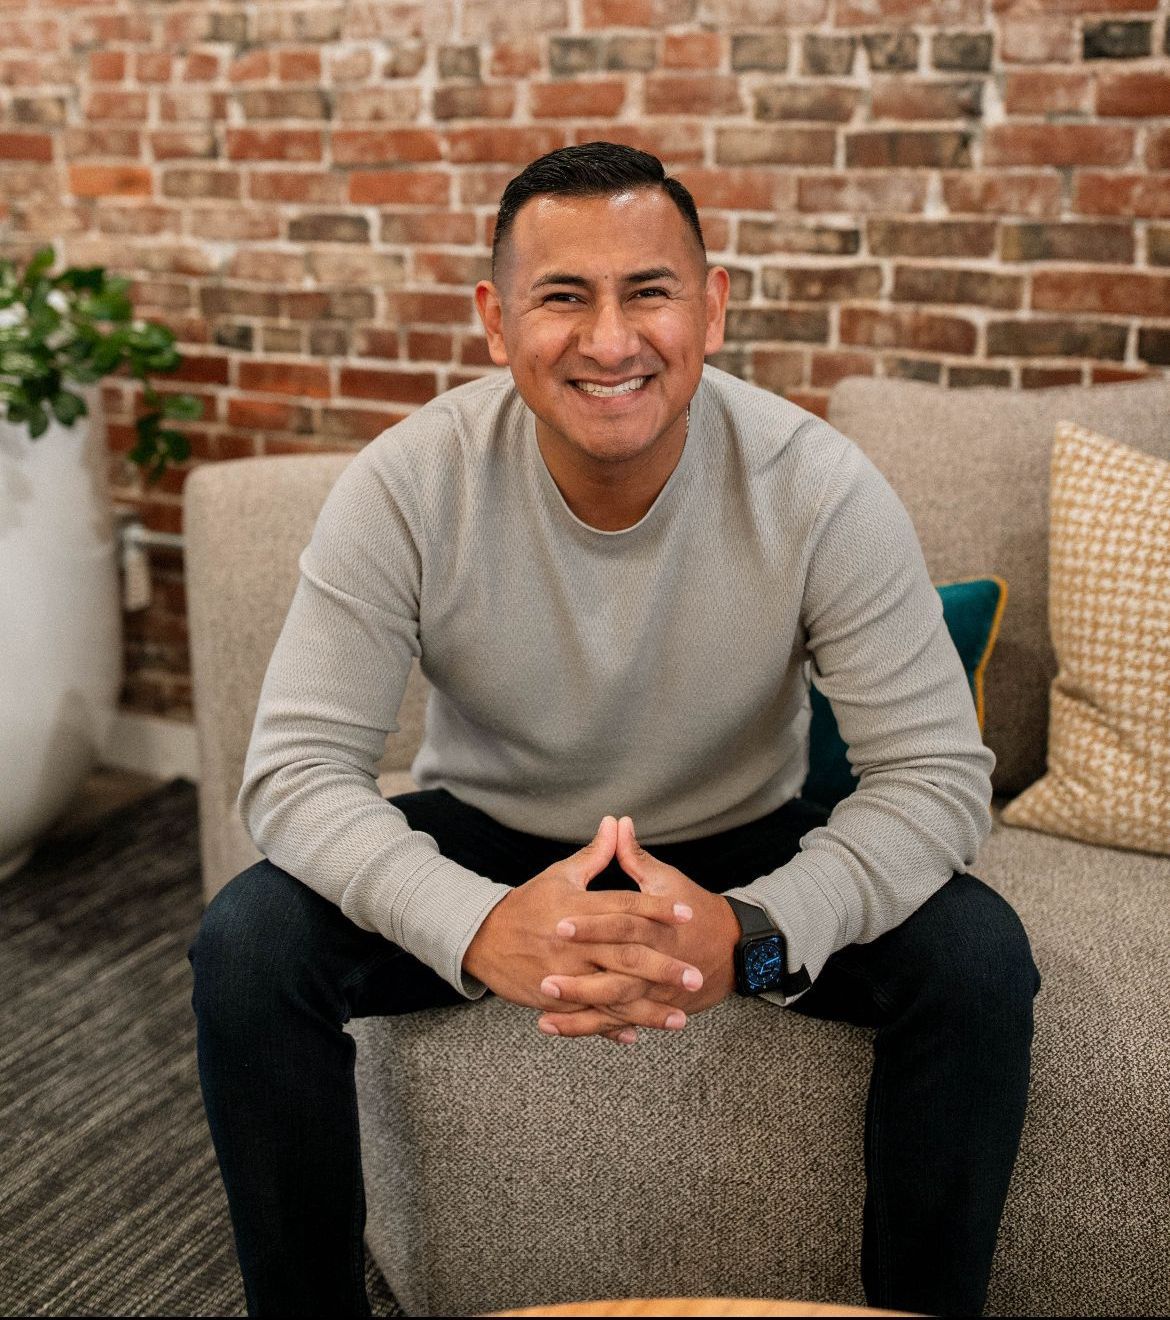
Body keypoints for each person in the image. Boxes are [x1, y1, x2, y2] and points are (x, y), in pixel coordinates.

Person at [189, 141, 1041, 1318]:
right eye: (562, 297)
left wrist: (748, 931)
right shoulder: (405, 484)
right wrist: (480, 926)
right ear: (495, 320)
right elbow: (293, 774)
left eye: (648, 291)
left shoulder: (820, 487)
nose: (609, 340)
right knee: (247, 947)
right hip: (491, 838)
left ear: (712, 303)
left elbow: (938, 778)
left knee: (978, 958)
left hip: (741, 845)